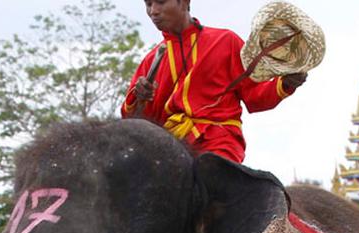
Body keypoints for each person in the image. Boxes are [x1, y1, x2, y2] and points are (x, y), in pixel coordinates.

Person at [121, 0, 306, 164]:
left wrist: (286, 83)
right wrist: (139, 99)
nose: (153, 11)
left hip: (219, 140)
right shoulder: (151, 60)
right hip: (171, 146)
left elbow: (256, 94)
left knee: (216, 182)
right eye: (148, 4)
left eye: (160, 2)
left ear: (185, 2)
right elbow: (136, 123)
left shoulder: (225, 41)